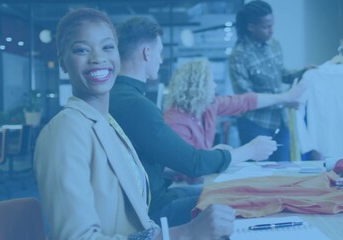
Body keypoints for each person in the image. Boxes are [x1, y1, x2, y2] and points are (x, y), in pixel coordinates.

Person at [34, 8, 235, 239]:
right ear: (62, 61)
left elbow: (140, 215)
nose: (98, 57)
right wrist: (184, 233)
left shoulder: (107, 123)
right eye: (81, 49)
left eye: (108, 47)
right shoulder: (64, 131)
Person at [110, 16, 277, 227]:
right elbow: (193, 164)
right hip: (152, 209)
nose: (161, 60)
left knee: (229, 192)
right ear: (147, 52)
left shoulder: (118, 97)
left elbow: (147, 163)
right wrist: (249, 151)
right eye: (159, 53)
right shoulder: (136, 105)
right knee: (243, 200)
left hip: (148, 200)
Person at [229, 0, 313, 161]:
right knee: (259, 176)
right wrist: (284, 100)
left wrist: (303, 71)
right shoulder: (238, 56)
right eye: (266, 27)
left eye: (272, 25)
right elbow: (246, 98)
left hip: (280, 123)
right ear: (250, 26)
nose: (271, 31)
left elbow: (282, 74)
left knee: (283, 173)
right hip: (255, 126)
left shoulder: (274, 45)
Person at [164, 59, 305, 150]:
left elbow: (245, 101)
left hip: (202, 179)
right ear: (197, 87)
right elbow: (191, 167)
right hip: (183, 184)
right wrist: (243, 151)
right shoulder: (175, 121)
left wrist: (284, 97)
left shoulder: (208, 106)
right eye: (210, 82)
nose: (214, 86)